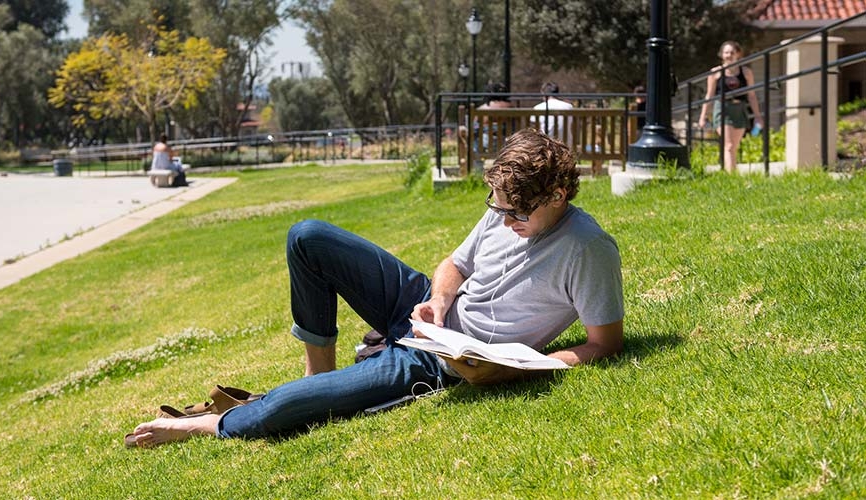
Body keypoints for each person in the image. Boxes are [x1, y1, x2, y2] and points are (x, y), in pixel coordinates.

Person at [126, 128, 625, 447]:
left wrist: (517, 369)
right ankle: (316, 374)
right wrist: (438, 300)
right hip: (423, 310)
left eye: (517, 213)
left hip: (443, 359)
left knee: (279, 409)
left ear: (557, 196)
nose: (505, 220)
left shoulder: (587, 249)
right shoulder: (505, 209)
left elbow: (605, 344)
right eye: (498, 209)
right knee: (308, 237)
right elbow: (455, 262)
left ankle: (208, 424)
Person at [697, 41, 764, 173]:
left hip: (739, 109)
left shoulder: (746, 72)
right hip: (723, 109)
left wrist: (757, 116)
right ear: (721, 55)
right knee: (729, 145)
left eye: (732, 52)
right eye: (726, 52)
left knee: (734, 146)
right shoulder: (716, 73)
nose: (729, 55)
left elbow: (751, 95)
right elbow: (709, 95)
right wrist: (703, 116)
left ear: (738, 54)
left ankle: (731, 174)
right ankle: (731, 175)